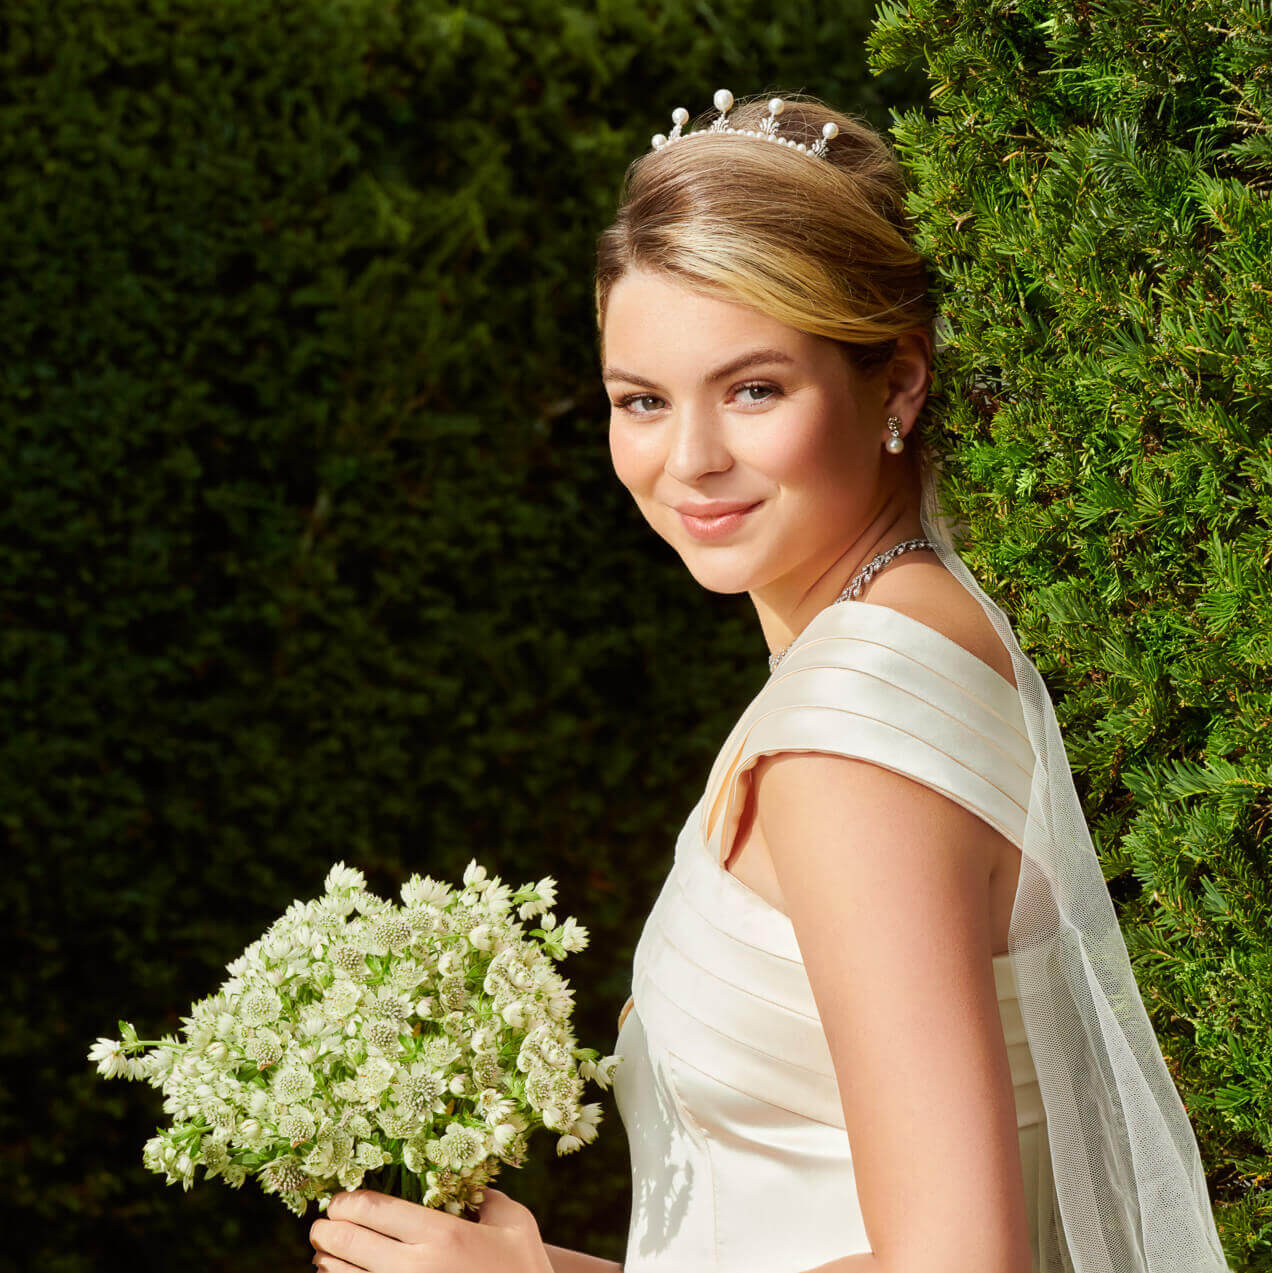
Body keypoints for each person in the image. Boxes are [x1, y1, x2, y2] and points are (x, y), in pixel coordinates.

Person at [310, 89, 1231, 1273]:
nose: (687, 459)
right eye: (642, 400)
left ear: (895, 384)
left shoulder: (848, 740)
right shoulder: (918, 635)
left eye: (753, 389)